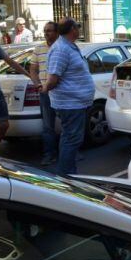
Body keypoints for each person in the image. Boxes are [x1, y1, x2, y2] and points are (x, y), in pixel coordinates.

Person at [42, 18, 94, 176]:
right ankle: (66, 177)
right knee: (71, 139)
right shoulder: (61, 49)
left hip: (75, 103)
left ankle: (69, 174)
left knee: (71, 139)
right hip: (70, 104)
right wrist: (45, 88)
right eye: (77, 27)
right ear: (72, 29)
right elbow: (53, 79)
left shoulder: (68, 46)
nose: (79, 29)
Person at [30, 21, 59, 165]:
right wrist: (36, 83)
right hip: (45, 93)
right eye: (45, 30)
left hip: (61, 93)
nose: (46, 33)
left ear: (57, 32)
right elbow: (33, 69)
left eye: (49, 30)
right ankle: (49, 154)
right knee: (48, 126)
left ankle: (71, 151)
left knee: (67, 124)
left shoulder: (62, 47)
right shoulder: (39, 48)